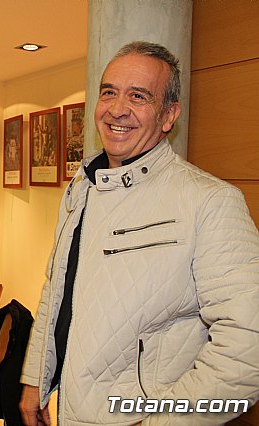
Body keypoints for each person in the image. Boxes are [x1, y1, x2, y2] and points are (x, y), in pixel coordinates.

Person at [19, 41, 259, 426]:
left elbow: (250, 346)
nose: (117, 109)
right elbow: (57, 292)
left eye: (138, 96)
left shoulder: (209, 201)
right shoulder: (84, 186)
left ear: (169, 115)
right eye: (109, 92)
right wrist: (36, 379)